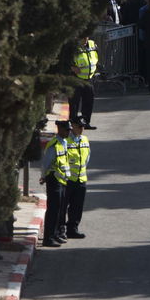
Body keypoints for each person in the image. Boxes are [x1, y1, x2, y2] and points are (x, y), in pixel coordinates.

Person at [39, 119, 71, 247]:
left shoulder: (63, 142)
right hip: (53, 179)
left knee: (60, 209)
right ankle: (48, 238)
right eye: (66, 130)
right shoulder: (54, 144)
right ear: (60, 130)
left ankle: (56, 234)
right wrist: (43, 176)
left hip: (62, 180)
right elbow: (46, 163)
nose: (69, 132)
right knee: (53, 209)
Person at [64, 117, 91, 239]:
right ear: (72, 126)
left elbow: (87, 158)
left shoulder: (85, 139)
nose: (81, 129)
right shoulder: (65, 140)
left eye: (83, 127)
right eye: (79, 126)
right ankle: (59, 230)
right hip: (67, 180)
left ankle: (72, 229)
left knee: (77, 207)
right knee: (62, 206)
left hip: (81, 179)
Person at [69, 31, 99, 130]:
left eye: (86, 37)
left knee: (88, 101)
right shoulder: (73, 46)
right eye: (83, 38)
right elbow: (65, 60)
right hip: (76, 78)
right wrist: (72, 68)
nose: (85, 40)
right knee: (74, 102)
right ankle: (73, 123)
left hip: (88, 78)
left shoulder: (92, 44)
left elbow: (95, 56)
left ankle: (86, 122)